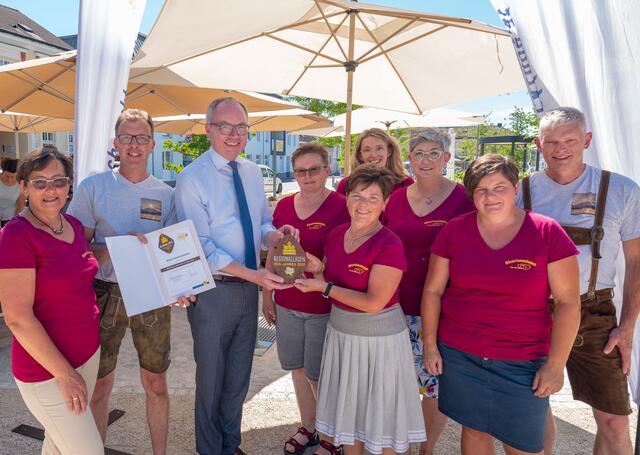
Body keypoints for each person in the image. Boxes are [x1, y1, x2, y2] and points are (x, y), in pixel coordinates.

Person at [422, 154, 581, 455]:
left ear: (515, 188)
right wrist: (430, 345)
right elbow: (432, 291)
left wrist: (556, 365)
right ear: (471, 194)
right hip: (460, 353)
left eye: (499, 187)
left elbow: (568, 302)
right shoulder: (453, 231)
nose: (490, 196)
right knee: (473, 430)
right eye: (481, 189)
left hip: (521, 359)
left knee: (521, 443)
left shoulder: (547, 232)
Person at [175, 97, 296, 455]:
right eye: (225, 126)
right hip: (213, 290)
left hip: (247, 288)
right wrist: (255, 276)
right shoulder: (191, 179)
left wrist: (276, 236)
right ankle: (210, 450)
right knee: (211, 378)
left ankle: (231, 444)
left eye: (241, 127)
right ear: (208, 129)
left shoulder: (251, 172)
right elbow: (202, 248)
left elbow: (260, 223)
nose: (233, 134)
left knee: (239, 376)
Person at [519, 106, 640, 455]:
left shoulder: (621, 189)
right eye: (551, 141)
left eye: (569, 140)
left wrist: (628, 326)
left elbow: (635, 261)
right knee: (534, 413)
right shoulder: (519, 191)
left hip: (595, 313)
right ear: (538, 144)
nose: (560, 149)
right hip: (534, 313)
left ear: (586, 140)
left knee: (615, 420)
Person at [67, 108, 179, 455]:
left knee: (156, 382)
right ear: (115, 143)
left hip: (151, 292)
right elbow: (75, 247)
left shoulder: (166, 194)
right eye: (127, 137)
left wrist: (181, 285)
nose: (134, 144)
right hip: (102, 292)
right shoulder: (93, 187)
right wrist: (113, 249)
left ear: (153, 144)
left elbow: (174, 251)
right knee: (99, 385)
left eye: (141, 137)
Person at [295, 164, 426, 455]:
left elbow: (373, 302)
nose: (363, 204)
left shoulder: (389, 243)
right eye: (357, 196)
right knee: (350, 422)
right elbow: (334, 275)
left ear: (385, 203)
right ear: (348, 199)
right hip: (342, 336)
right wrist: (319, 270)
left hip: (380, 343)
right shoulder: (337, 234)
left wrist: (324, 288)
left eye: (372, 198)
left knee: (383, 426)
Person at [0, 147, 103, 454]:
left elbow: (79, 260)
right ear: (23, 187)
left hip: (87, 356)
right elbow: (16, 316)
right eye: (39, 182)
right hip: (46, 370)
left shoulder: (70, 224)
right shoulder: (16, 235)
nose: (50, 190)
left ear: (69, 185)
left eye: (58, 181)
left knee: (58, 445)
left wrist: (129, 244)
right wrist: (64, 374)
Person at [382, 128, 474, 455]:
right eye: (419, 153)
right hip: (396, 305)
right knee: (400, 384)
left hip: (442, 309)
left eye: (434, 153)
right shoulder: (395, 198)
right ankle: (403, 444)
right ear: (408, 158)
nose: (425, 160)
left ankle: (426, 449)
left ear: (447, 158)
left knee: (433, 386)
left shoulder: (463, 199)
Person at [262, 142, 349, 455]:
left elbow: (345, 257)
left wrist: (321, 267)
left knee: (318, 373)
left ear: (327, 170)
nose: (308, 175)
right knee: (296, 368)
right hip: (288, 302)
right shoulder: (285, 205)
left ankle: (331, 434)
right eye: (301, 170)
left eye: (314, 169)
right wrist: (267, 294)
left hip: (320, 304)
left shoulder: (342, 206)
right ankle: (310, 427)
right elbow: (274, 249)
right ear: (294, 173)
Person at [336, 128, 413, 197]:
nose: (373, 155)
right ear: (360, 155)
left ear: (389, 151)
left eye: (379, 148)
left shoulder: (406, 184)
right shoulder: (345, 185)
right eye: (367, 150)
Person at [0, 157, 24, 226]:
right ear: (2, 172)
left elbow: (20, 204)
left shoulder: (21, 184)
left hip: (11, 217)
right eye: (7, 176)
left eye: (13, 177)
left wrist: (15, 221)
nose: (9, 180)